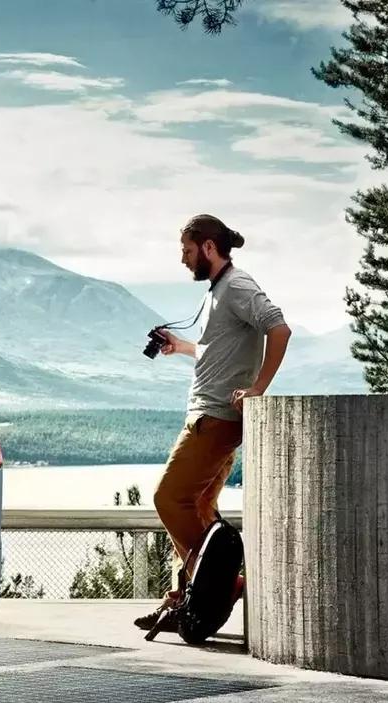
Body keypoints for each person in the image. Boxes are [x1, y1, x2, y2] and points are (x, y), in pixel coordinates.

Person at [135, 214, 291, 633]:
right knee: (198, 510)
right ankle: (185, 600)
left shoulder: (238, 286)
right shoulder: (219, 291)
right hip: (212, 416)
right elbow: (216, 351)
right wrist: (182, 347)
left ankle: (219, 587)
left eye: (187, 250)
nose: (183, 260)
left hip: (214, 419)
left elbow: (279, 328)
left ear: (207, 247)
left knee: (168, 499)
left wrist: (258, 389)